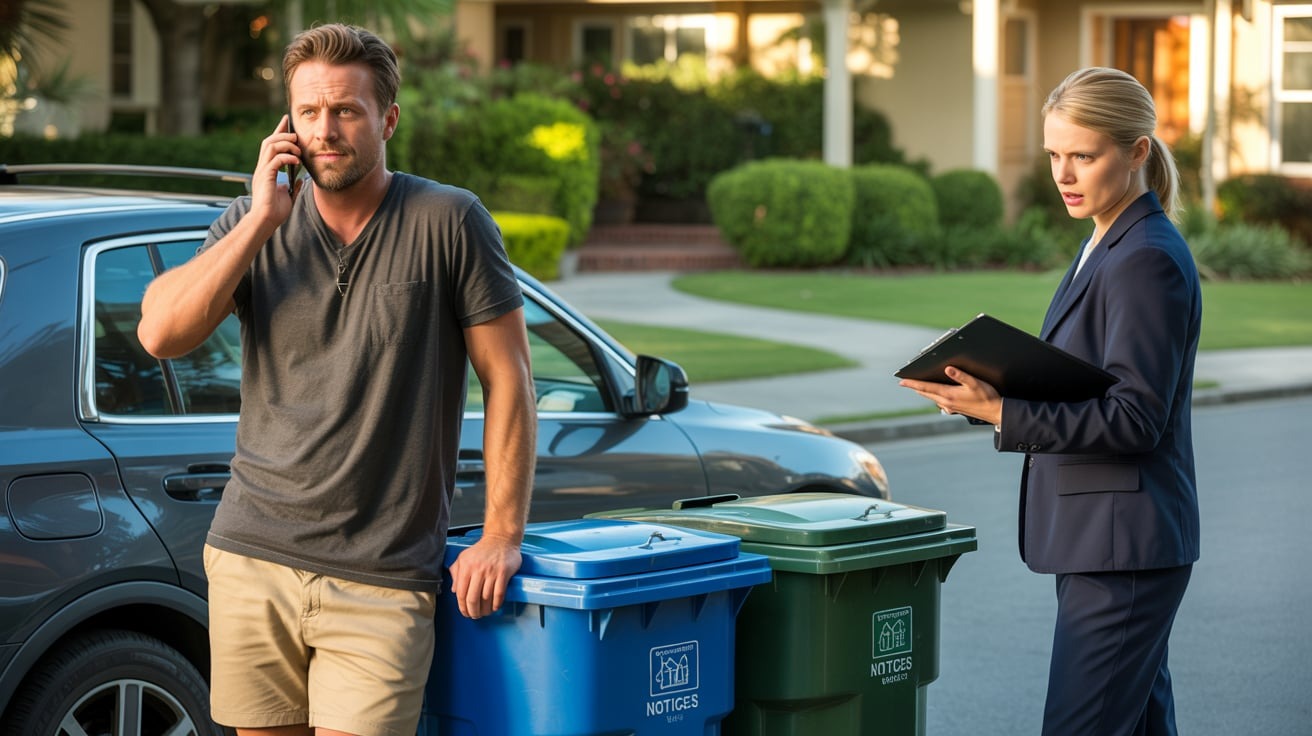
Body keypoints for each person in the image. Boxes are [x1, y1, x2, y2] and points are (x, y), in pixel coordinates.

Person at [137, 23, 536, 736]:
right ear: (287, 123)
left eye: (347, 111)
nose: (327, 130)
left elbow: (508, 380)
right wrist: (261, 219)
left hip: (381, 576)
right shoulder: (250, 225)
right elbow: (161, 334)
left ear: (388, 118)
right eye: (310, 112)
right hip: (252, 556)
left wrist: (503, 534)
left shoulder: (449, 221)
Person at [900, 66, 1201, 735]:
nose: (1064, 175)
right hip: (1107, 546)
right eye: (1055, 155)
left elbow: (1135, 419)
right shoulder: (1103, 239)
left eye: (1084, 157)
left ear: (1138, 152)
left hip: (1124, 552)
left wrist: (1000, 412)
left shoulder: (1143, 257)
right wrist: (994, 386)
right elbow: (1094, 383)